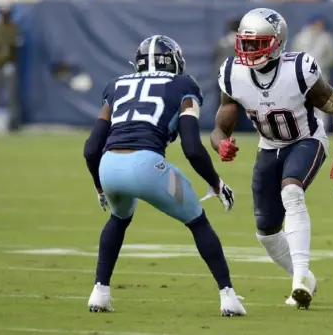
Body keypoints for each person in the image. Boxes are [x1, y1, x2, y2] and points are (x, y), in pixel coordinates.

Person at [83, 35, 246, 317]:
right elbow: (192, 148)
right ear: (174, 62)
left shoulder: (116, 85)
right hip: (148, 166)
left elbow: (90, 149)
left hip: (109, 166)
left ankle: (100, 292)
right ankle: (228, 296)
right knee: (198, 221)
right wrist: (216, 183)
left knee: (119, 219)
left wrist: (99, 187)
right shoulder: (184, 85)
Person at [210, 8, 333, 310]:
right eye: (245, 43)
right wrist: (220, 144)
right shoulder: (232, 73)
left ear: (277, 42)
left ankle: (300, 278)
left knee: (292, 191)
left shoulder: (299, 69)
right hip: (268, 147)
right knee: (266, 231)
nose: (248, 50)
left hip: (306, 140)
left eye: (256, 42)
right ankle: (305, 279)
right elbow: (219, 127)